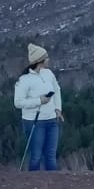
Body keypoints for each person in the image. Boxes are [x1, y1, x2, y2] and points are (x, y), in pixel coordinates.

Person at [13, 43, 63, 171]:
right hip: (34, 121)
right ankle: (33, 185)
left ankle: (52, 186)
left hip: (52, 120)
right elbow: (18, 102)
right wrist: (39, 101)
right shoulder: (24, 80)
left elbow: (57, 89)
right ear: (39, 61)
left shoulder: (49, 73)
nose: (48, 59)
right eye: (46, 57)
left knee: (51, 156)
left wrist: (58, 109)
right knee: (36, 156)